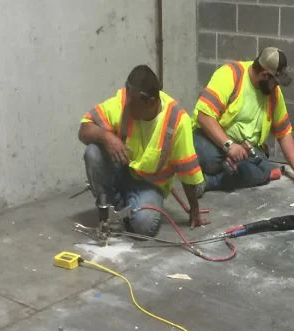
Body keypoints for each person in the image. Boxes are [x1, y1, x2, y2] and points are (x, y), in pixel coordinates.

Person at [78, 65, 208, 236]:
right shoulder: (124, 102)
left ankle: (127, 208)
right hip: (121, 172)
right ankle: (112, 208)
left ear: (151, 102)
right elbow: (84, 130)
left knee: (145, 226)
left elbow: (187, 171)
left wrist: (194, 210)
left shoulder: (176, 120)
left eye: (133, 103)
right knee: (93, 152)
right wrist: (107, 137)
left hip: (149, 185)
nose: (127, 106)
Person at [191, 47, 294, 194]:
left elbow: (284, 132)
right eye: (275, 82)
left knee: (264, 169)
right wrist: (229, 146)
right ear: (264, 75)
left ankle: (208, 181)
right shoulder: (231, 75)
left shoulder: (273, 93)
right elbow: (204, 116)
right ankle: (228, 169)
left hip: (245, 150)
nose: (277, 86)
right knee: (209, 159)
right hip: (212, 140)